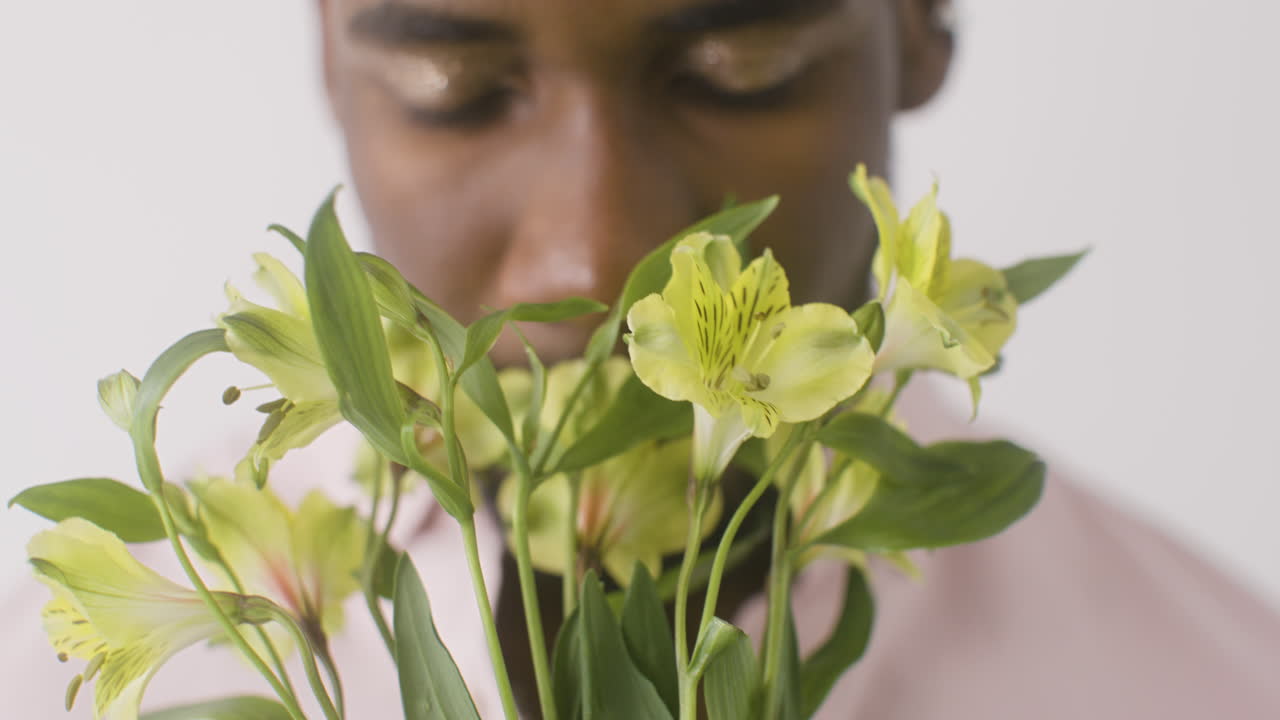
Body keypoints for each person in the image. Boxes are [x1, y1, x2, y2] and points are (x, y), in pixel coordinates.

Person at [5, 0, 1279, 717]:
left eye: (742, 71)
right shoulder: (33, 669)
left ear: (920, 22)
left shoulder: (1211, 682)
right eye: (454, 87)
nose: (602, 262)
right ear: (328, 44)